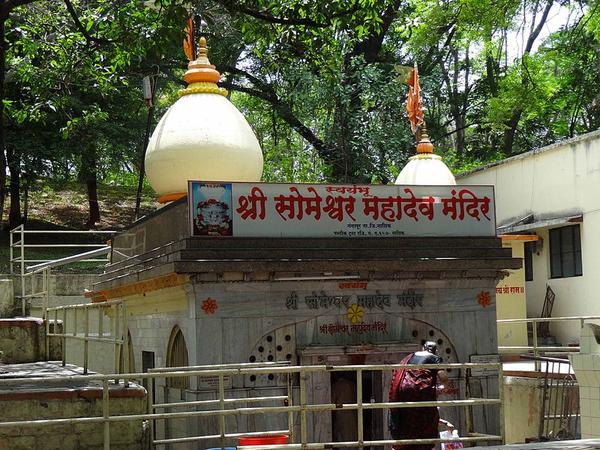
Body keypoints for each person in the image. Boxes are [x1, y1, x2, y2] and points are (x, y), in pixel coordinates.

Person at [388, 341, 450, 450]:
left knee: (406, 416)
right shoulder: (434, 358)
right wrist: (446, 386)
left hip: (404, 390)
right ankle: (422, 445)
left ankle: (405, 445)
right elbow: (442, 376)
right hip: (422, 391)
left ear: (423, 348)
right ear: (435, 350)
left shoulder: (410, 357)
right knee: (426, 417)